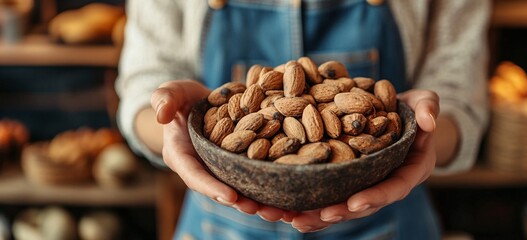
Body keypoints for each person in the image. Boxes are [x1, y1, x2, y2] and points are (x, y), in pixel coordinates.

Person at [115, 0, 490, 239]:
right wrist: (173, 125)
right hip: (221, 216)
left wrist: (420, 137)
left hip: (387, 211)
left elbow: (460, 98)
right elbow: (144, 85)